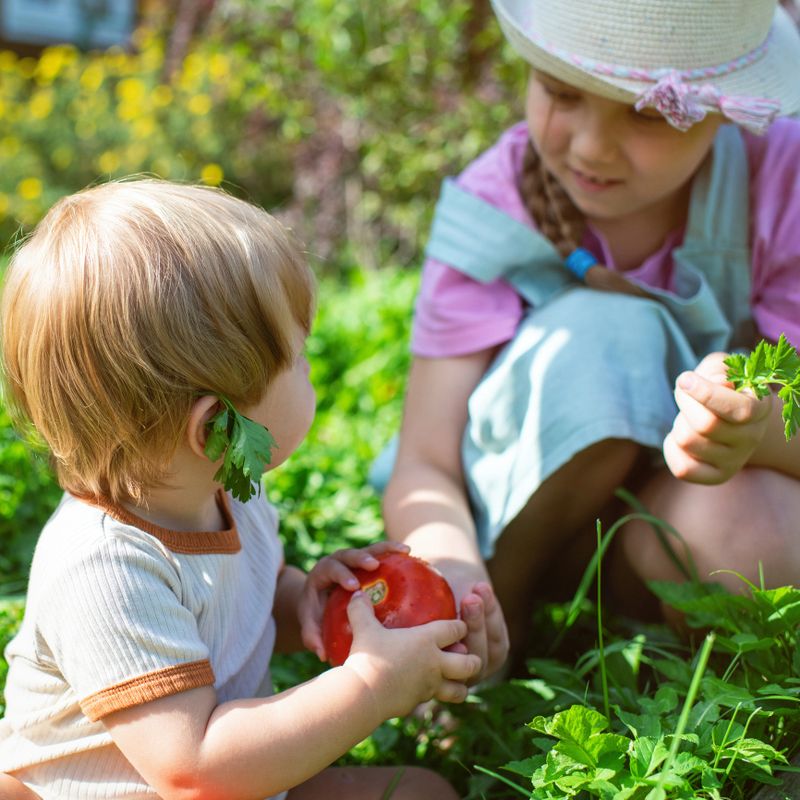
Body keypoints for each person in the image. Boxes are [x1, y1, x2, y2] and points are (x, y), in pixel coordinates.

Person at [0, 180, 481, 799]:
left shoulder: (233, 491)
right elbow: (193, 769)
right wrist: (368, 687)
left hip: (240, 780)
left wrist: (301, 601)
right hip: (123, 788)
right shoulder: (104, 568)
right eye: (300, 359)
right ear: (217, 429)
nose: (312, 368)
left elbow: (234, 608)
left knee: (422, 794)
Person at [381, 0, 800, 676]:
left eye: (644, 112)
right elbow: (424, 461)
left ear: (727, 109)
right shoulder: (498, 207)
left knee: (750, 531)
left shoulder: (781, 181)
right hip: (521, 525)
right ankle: (501, 623)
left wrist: (757, 427)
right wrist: (455, 578)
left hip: (666, 530)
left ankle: (697, 692)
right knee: (606, 334)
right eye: (561, 93)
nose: (590, 147)